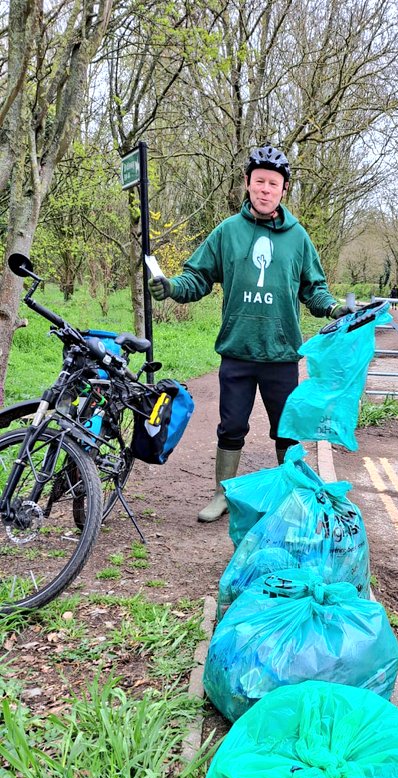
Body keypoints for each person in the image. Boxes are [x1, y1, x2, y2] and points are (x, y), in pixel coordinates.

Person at [149, 144, 353, 523]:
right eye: (259, 181)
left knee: (286, 429)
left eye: (273, 183)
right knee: (231, 427)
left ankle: (290, 496)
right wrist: (172, 286)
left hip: (281, 354)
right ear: (247, 183)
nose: (265, 189)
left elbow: (314, 289)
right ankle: (222, 494)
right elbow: (198, 276)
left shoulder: (298, 238)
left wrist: (333, 307)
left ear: (283, 189)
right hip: (238, 351)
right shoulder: (228, 232)